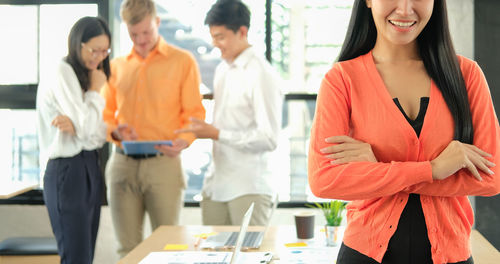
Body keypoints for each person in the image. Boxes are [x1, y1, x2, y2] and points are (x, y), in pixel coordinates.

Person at [308, 0, 500, 263]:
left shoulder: (467, 76)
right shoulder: (341, 80)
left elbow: (491, 177)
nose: (405, 9)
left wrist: (378, 169)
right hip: (363, 255)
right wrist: (432, 169)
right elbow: (324, 180)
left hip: (452, 255)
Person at [100, 0, 205, 257]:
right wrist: (116, 132)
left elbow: (194, 113)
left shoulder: (183, 62)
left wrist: (186, 140)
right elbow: (103, 115)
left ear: (157, 23)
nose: (141, 40)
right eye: (134, 34)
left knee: (168, 246)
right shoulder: (116, 66)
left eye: (146, 32)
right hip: (123, 165)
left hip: (164, 164)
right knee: (127, 249)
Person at [177, 0, 282, 226]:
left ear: (242, 32)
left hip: (248, 187)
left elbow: (269, 138)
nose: (215, 44)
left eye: (220, 36)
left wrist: (216, 133)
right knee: (211, 259)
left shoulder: (262, 74)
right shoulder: (223, 68)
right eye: (213, 36)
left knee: (250, 259)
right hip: (216, 184)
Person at [36, 16, 110, 264]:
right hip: (67, 170)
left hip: (89, 164)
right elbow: (89, 127)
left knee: (86, 257)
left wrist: (81, 125)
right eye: (94, 50)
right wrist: (94, 94)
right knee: (76, 258)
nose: (99, 57)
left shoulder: (88, 75)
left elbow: (97, 135)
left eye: (104, 51)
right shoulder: (63, 70)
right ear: (78, 44)